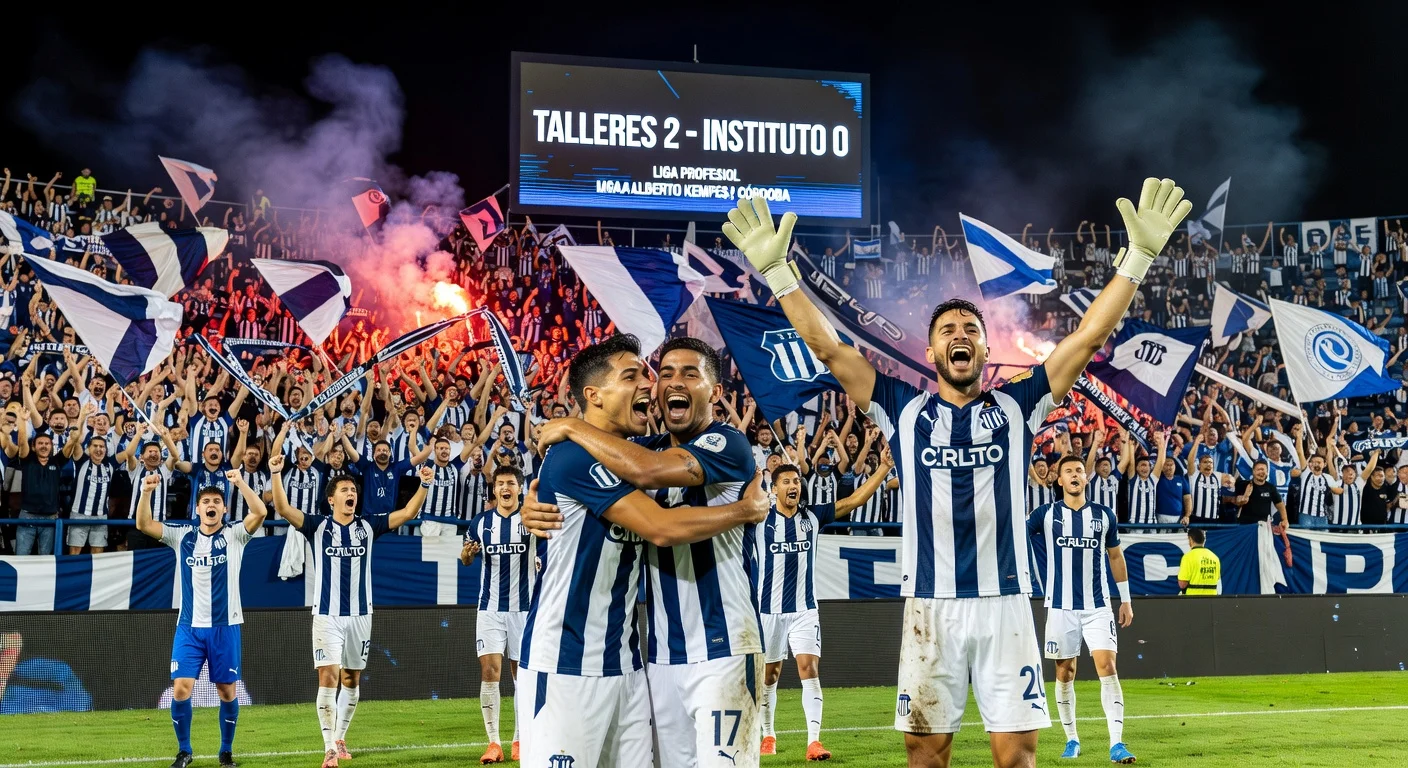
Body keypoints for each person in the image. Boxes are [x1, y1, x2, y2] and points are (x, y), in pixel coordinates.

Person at [720, 181, 1192, 766]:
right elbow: (829, 348)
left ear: (985, 348)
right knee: (925, 759)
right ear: (933, 351)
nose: (960, 335)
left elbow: (1087, 336)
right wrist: (778, 272)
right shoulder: (900, 407)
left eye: (971, 329)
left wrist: (1139, 257)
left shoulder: (1019, 404)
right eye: (948, 330)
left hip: (1007, 606)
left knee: (1016, 759)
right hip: (929, 608)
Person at [514, 334, 768, 767]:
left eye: (690, 374)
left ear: (717, 393)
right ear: (594, 395)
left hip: (719, 649)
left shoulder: (727, 443)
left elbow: (646, 474)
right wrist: (531, 502)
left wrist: (575, 425)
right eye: (659, 373)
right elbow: (649, 511)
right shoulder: (614, 455)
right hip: (637, 661)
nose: (660, 384)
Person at [269, 451, 433, 768]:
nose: (351, 494)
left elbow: (407, 512)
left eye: (353, 491)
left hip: (360, 614)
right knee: (328, 677)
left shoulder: (368, 526)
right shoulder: (317, 526)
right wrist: (276, 474)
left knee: (351, 680)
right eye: (344, 490)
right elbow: (283, 508)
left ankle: (341, 738)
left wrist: (424, 485)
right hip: (326, 614)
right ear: (331, 499)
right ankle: (329, 748)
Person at [752, 456, 891, 759]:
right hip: (767, 611)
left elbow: (854, 500)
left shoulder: (813, 516)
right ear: (773, 489)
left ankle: (813, 741)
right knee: (770, 676)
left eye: (796, 481)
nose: (794, 486)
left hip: (804, 609)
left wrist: (882, 468)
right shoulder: (759, 519)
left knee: (809, 669)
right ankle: (768, 735)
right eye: (786, 482)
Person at [133, 465, 268, 768]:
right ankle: (184, 751)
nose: (211, 506)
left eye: (216, 502)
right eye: (205, 502)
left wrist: (241, 482)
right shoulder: (182, 536)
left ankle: (226, 750)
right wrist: (145, 492)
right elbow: (143, 523)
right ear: (197, 508)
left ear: (224, 508)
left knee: (226, 690)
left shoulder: (235, 535)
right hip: (189, 627)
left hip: (225, 626)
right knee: (181, 687)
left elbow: (259, 512)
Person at [1026, 456, 1135, 764]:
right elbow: (1016, 537)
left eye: (1078, 470)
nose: (1075, 474)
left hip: (1098, 606)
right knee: (1064, 672)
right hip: (1060, 607)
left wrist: (1125, 600)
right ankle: (1071, 739)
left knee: (1107, 667)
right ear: (1058, 480)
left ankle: (1117, 744)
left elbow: (1115, 557)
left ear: (1085, 478)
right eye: (1068, 471)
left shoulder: (1104, 515)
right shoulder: (1044, 515)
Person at [459, 467, 536, 764]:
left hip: (524, 608)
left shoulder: (530, 519)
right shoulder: (480, 523)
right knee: (490, 673)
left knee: (522, 679)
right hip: (490, 608)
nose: (506, 488)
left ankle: (518, 740)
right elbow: (465, 559)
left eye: (511, 483)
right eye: (501, 483)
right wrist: (467, 554)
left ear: (520, 488)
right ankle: (494, 743)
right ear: (494, 490)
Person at [1176, 528, 1221, 595]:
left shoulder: (1188, 557)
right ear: (1203, 541)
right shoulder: (1215, 557)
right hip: (1212, 598)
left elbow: (1182, 584)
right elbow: (1217, 579)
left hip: (1193, 599)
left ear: (1190, 539)